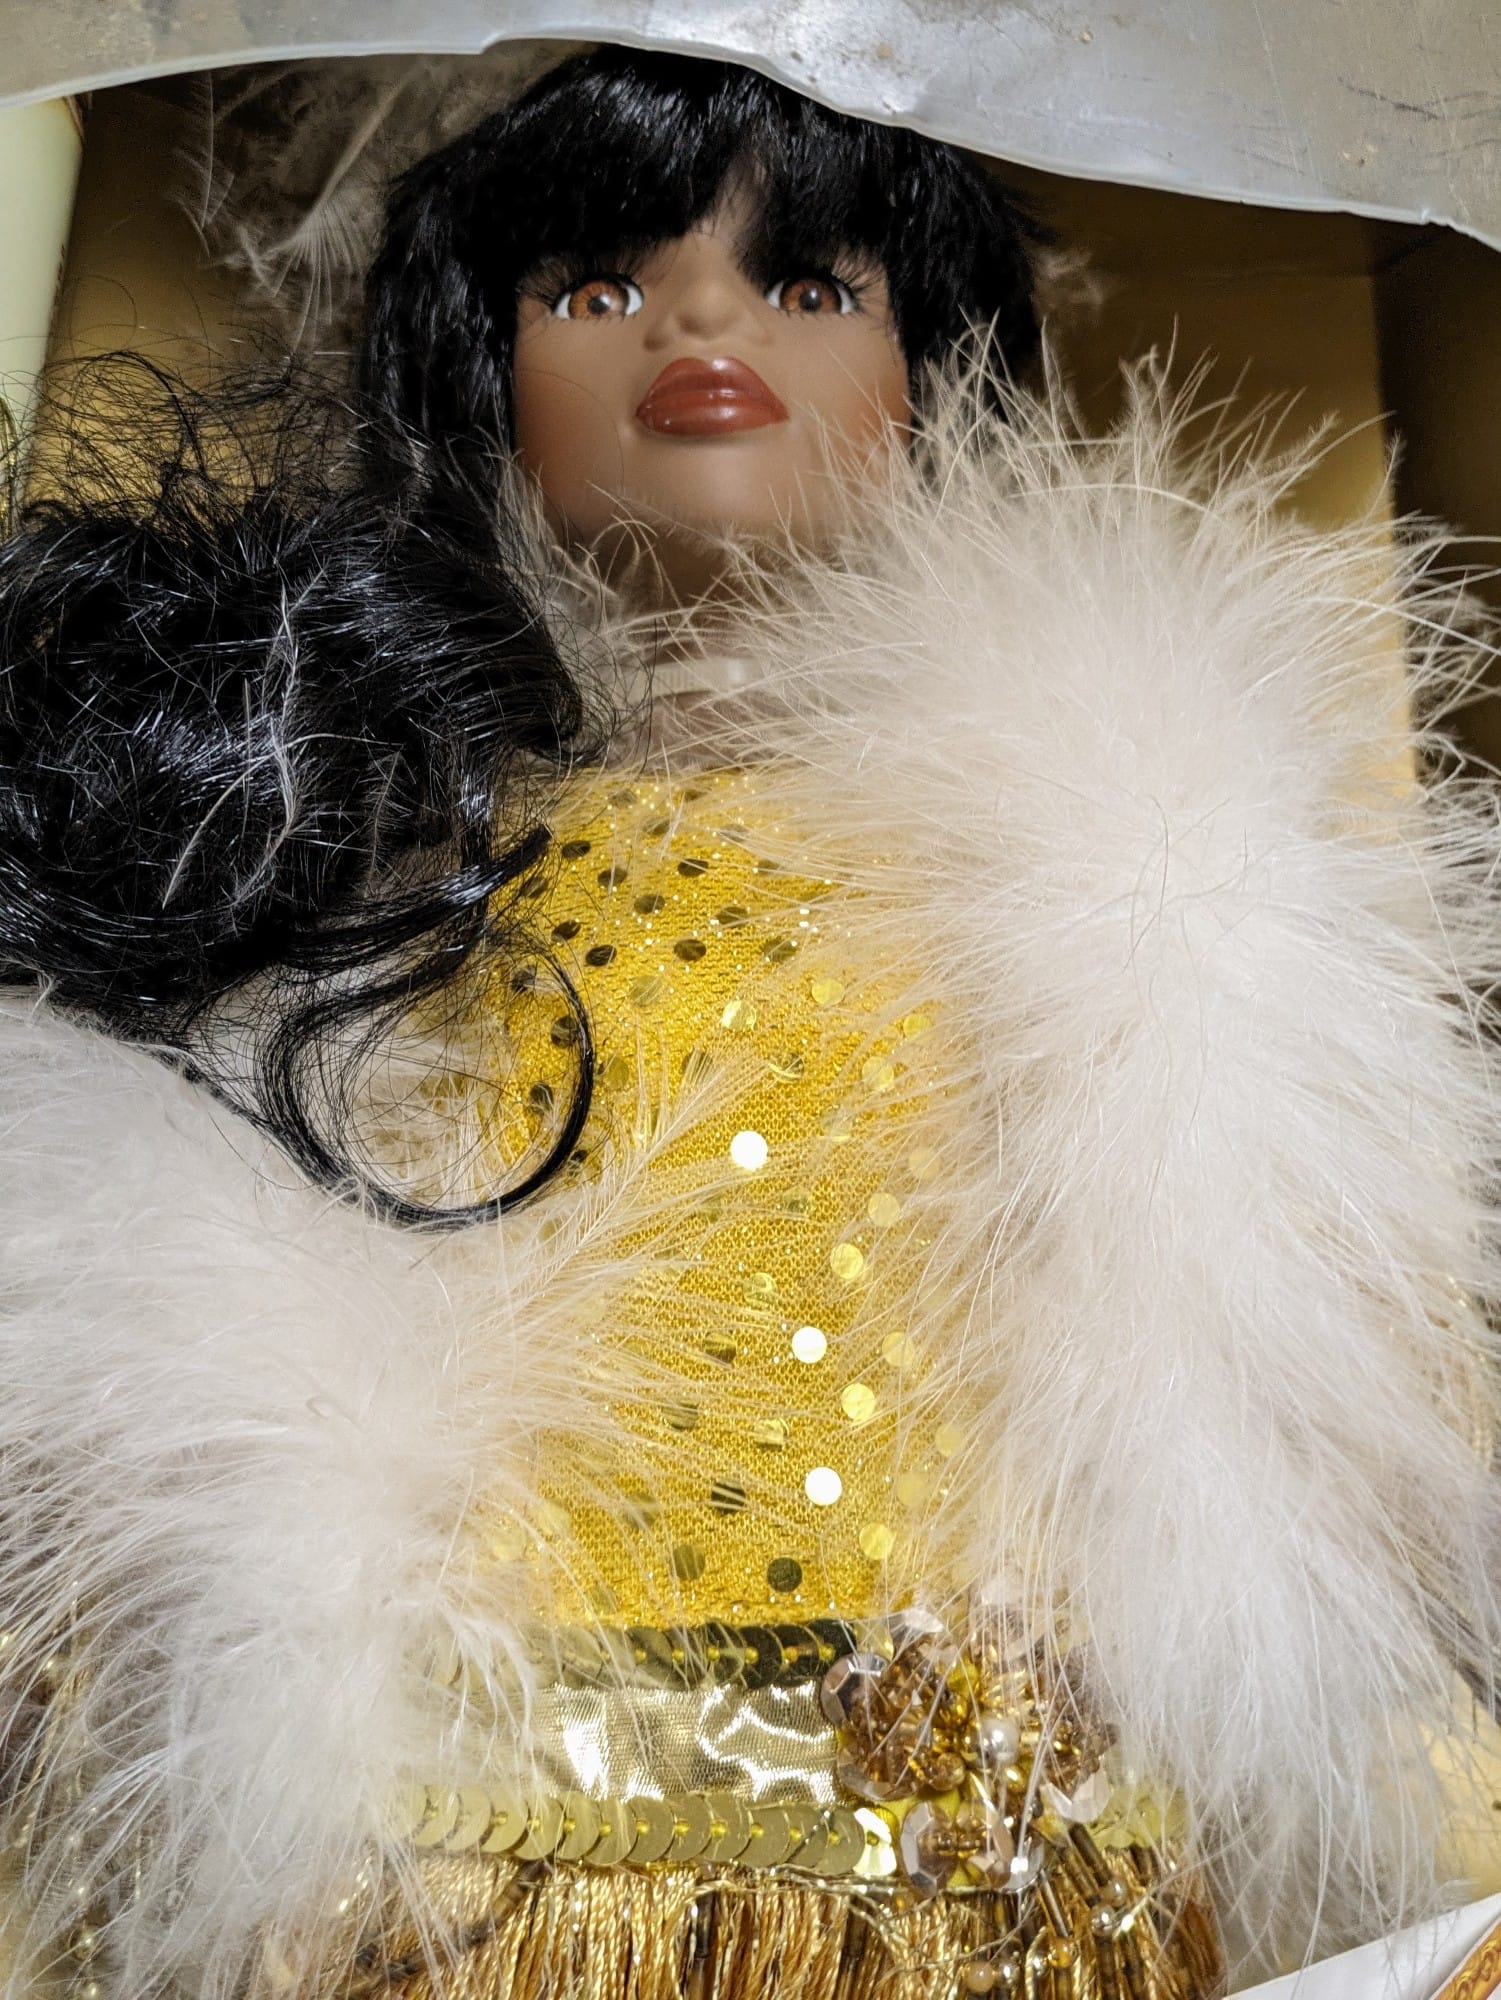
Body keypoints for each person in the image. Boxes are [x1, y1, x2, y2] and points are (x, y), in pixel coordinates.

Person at [0, 45, 1495, 2000]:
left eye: (804, 283)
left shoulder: (1099, 852)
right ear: (478, 376)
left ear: (929, 375)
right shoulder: (394, 865)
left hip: (977, 1855)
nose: (700, 327)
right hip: (467, 1863)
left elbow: (1257, 1310)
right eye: (595, 285)